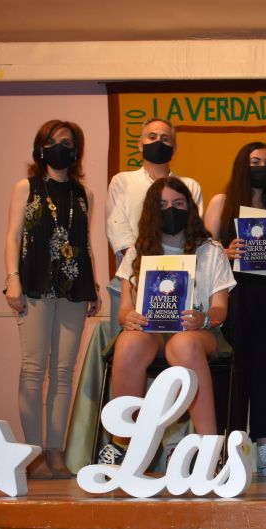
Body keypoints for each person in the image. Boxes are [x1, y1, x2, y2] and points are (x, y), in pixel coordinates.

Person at [98, 176, 236, 465]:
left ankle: (209, 448)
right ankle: (126, 443)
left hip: (199, 333)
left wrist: (204, 318)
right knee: (128, 342)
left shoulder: (210, 250)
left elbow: (220, 309)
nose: (170, 210)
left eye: (178, 203)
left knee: (184, 344)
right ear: (151, 210)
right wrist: (130, 317)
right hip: (151, 334)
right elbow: (124, 310)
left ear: (189, 208)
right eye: (162, 205)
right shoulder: (138, 251)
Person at [4, 119, 101, 478]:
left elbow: (87, 244)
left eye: (68, 142)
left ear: (76, 151)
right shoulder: (24, 187)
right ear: (41, 147)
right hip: (33, 285)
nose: (61, 147)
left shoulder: (83, 194)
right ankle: (33, 456)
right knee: (33, 370)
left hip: (74, 288)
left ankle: (56, 453)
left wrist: (93, 287)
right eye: (54, 141)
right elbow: (13, 237)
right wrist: (12, 279)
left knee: (63, 373)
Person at [203, 142, 266, 477]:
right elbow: (205, 251)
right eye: (255, 161)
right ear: (242, 165)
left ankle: (265, 445)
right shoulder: (221, 202)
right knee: (234, 366)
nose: (262, 166)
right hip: (232, 291)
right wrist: (226, 249)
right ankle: (231, 443)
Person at [106, 118, 203, 337]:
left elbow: (193, 233)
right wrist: (145, 275)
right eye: (152, 137)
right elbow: (118, 232)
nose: (158, 142)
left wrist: (166, 275)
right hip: (128, 285)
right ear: (140, 144)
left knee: (175, 357)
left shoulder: (189, 186)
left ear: (174, 148)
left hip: (176, 289)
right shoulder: (122, 181)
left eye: (165, 138)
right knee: (126, 354)